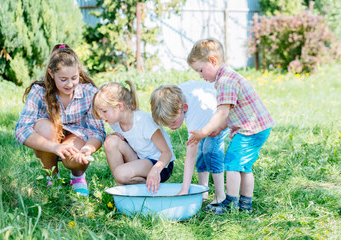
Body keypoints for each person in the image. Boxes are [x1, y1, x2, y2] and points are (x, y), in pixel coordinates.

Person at [186, 38, 275, 214]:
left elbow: (221, 113)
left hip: (251, 129)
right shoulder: (227, 77)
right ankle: (245, 205)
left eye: (201, 70)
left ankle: (231, 203)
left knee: (232, 163)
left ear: (213, 60)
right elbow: (232, 111)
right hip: (257, 127)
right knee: (244, 167)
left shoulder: (225, 81)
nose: (201, 76)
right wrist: (219, 128)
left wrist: (204, 131)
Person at [15, 44, 105, 197]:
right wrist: (54, 147)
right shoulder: (39, 91)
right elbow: (22, 130)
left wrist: (87, 150)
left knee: (74, 158)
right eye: (63, 79)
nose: (69, 84)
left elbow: (97, 131)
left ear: (79, 73)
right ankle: (52, 178)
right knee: (43, 127)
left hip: (77, 137)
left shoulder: (89, 92)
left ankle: (77, 177)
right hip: (51, 137)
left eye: (74, 78)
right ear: (51, 73)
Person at [150, 81, 230, 207]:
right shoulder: (173, 98)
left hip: (220, 116)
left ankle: (220, 196)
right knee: (201, 152)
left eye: (174, 122)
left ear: (184, 108)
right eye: (167, 124)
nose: (171, 127)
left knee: (210, 151)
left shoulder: (194, 114)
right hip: (205, 113)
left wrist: (184, 190)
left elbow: (190, 155)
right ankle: (203, 191)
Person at [92, 80, 175, 194]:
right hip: (140, 159)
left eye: (104, 111)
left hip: (161, 165)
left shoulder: (144, 121)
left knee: (120, 173)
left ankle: (145, 191)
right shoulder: (115, 123)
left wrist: (155, 170)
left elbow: (167, 153)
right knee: (110, 141)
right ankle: (122, 191)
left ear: (119, 106)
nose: (101, 116)